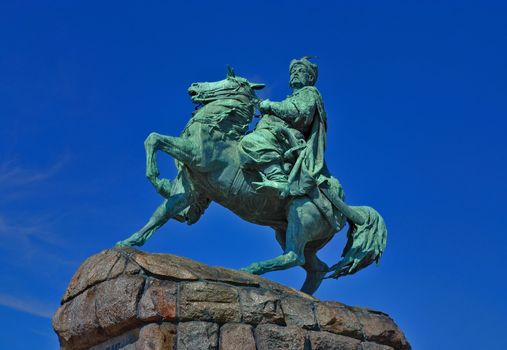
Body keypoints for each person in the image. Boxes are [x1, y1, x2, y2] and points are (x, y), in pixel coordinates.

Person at [239, 57, 328, 198]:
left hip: (288, 140)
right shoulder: (292, 97)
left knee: (250, 142)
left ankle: (279, 180)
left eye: (300, 71)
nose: (295, 73)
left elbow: (301, 114)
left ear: (310, 77)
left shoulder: (309, 92)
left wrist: (270, 106)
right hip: (275, 136)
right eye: (293, 71)